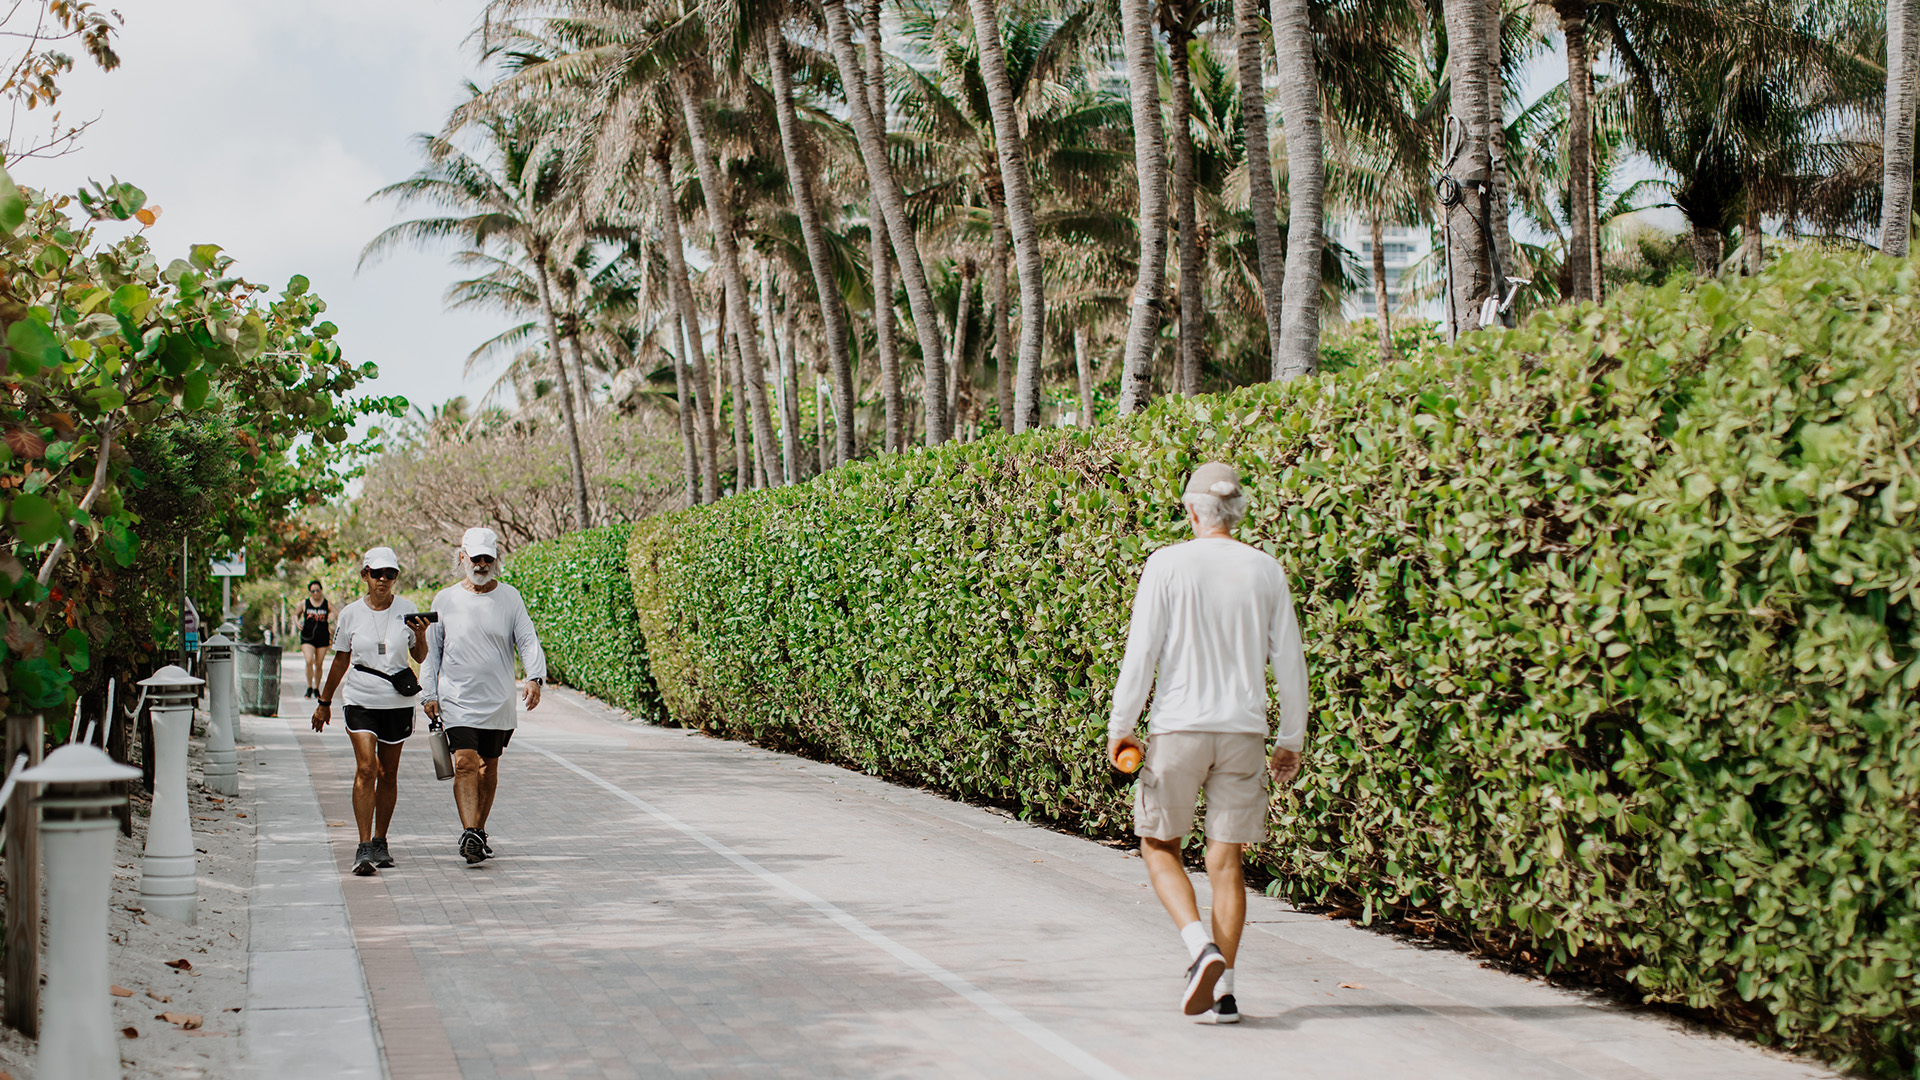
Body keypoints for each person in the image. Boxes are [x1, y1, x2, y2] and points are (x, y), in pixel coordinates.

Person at [1107, 462, 1308, 1024]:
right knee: (1226, 860)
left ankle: (1200, 948)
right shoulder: (1265, 569)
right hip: (1243, 732)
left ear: (1192, 510)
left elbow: (1142, 653)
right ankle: (1226, 995)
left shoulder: (1167, 563)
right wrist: (1290, 738)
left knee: (1159, 844)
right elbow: (1289, 661)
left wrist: (1121, 725)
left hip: (1178, 728)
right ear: (1236, 511)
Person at [420, 526, 546, 865]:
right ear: (462, 556)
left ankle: (477, 832)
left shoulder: (510, 597)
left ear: (496, 559)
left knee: (488, 767)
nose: (481, 564)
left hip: (498, 701)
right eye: (475, 558)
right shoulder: (444, 599)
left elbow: (528, 639)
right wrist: (428, 693)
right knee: (464, 764)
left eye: (488, 558)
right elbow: (432, 651)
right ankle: (470, 832)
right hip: (456, 700)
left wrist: (534, 677)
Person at [311, 548, 432, 876]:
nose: (383, 580)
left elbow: (420, 657)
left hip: (397, 702)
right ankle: (363, 845)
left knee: (388, 773)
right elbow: (341, 660)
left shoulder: (407, 609)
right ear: (365, 574)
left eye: (390, 574)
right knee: (367, 767)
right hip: (360, 699)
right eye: (377, 573)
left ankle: (380, 840)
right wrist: (324, 702)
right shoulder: (350, 614)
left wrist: (421, 634)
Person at [299, 580, 333, 698]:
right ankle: (309, 686)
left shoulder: (326, 604)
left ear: (321, 591)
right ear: (310, 592)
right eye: (312, 591)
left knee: (319, 664)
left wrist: (331, 617)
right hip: (307, 637)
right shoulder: (305, 603)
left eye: (317, 590)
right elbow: (295, 614)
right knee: (309, 660)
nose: (315, 593)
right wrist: (297, 623)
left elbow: (337, 614)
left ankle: (316, 688)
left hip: (322, 637)